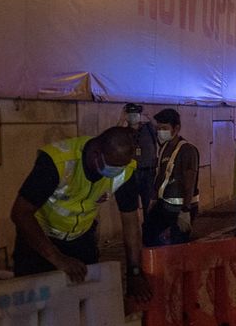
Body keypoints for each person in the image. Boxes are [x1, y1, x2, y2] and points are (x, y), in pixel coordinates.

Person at [10, 127, 151, 301]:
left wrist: (134, 272)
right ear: (95, 154)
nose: (118, 172)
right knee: (34, 303)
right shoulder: (58, 161)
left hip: (81, 239)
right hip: (40, 240)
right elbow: (20, 213)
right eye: (113, 167)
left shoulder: (125, 169)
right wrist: (57, 258)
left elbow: (130, 221)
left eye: (121, 167)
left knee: (81, 299)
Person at [142, 109, 200, 246]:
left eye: (165, 128)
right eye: (159, 128)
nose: (161, 132)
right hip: (165, 205)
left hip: (180, 209)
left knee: (177, 245)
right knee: (150, 234)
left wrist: (186, 211)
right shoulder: (165, 147)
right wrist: (154, 199)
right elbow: (161, 175)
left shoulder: (187, 150)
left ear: (176, 128)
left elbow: (190, 181)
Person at [120, 103, 158, 212]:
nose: (133, 116)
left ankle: (149, 227)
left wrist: (149, 116)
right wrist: (121, 119)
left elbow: (159, 131)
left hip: (148, 173)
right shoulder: (124, 132)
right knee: (130, 206)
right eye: (130, 114)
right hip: (130, 173)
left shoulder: (148, 128)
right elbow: (114, 136)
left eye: (135, 113)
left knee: (149, 205)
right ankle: (135, 228)